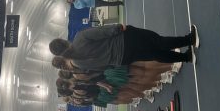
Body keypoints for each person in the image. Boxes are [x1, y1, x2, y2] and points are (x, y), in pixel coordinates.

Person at [49, 24, 200, 71]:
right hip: (125, 40)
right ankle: (189, 39)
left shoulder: (78, 64)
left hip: (122, 59)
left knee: (155, 54)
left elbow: (102, 67)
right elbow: (102, 32)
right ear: (63, 41)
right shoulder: (80, 37)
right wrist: (119, 28)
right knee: (157, 41)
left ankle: (186, 57)